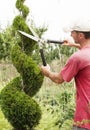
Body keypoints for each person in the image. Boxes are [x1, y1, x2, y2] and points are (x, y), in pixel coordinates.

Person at [40, 18, 90, 130]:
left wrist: (47, 72)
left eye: (73, 32)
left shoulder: (78, 58)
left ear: (81, 35)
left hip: (84, 121)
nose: (70, 34)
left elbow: (58, 79)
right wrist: (74, 45)